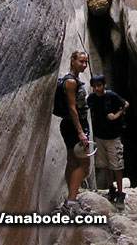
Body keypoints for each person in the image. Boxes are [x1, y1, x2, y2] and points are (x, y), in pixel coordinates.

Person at [87, 74, 129, 210]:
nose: (97, 88)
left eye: (99, 85)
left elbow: (126, 104)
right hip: (99, 137)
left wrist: (116, 115)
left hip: (113, 137)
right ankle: (111, 189)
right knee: (104, 165)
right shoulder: (92, 98)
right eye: (94, 86)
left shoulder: (111, 95)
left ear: (104, 85)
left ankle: (121, 193)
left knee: (116, 166)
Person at [59, 50, 90, 217]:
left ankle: (70, 199)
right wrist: (81, 132)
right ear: (72, 61)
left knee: (72, 161)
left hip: (71, 124)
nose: (84, 65)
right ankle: (71, 202)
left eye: (86, 62)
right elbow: (72, 108)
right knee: (83, 163)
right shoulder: (70, 82)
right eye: (81, 61)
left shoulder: (73, 80)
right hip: (74, 125)